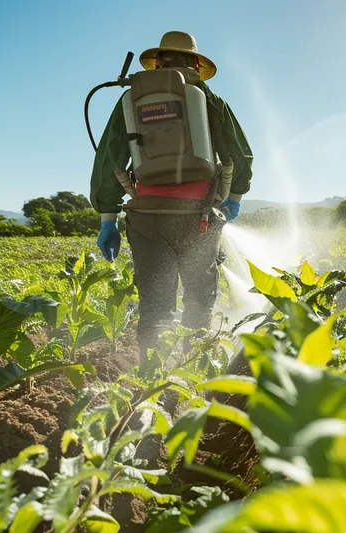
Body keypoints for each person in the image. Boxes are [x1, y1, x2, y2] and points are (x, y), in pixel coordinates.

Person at [89, 31, 253, 362]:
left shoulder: (131, 101)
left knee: (155, 302)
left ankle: (151, 376)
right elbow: (240, 156)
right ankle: (193, 374)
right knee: (198, 298)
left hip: (147, 218)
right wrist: (235, 195)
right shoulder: (210, 100)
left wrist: (108, 219)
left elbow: (109, 160)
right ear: (195, 63)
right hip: (200, 217)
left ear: (158, 62)